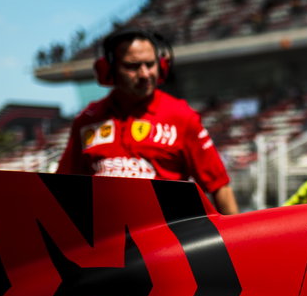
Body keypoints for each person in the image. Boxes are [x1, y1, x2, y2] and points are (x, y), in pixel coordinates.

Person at [56, 29, 239, 215]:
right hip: (106, 232)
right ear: (109, 70)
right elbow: (61, 189)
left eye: (150, 64)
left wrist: (237, 233)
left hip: (169, 231)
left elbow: (220, 187)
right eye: (132, 66)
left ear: (162, 65)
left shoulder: (182, 116)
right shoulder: (86, 120)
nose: (144, 74)